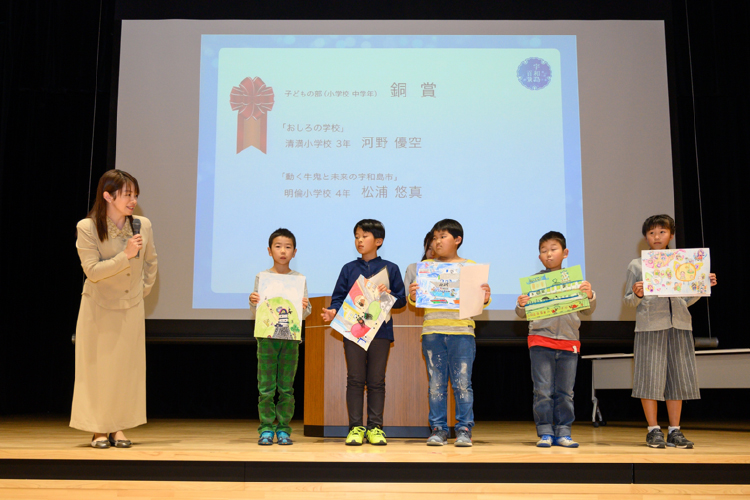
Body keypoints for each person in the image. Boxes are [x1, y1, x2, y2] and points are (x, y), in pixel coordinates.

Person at [70, 169, 157, 448]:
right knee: (97, 369)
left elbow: (151, 262)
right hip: (98, 307)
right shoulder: (87, 227)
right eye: (127, 194)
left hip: (130, 307)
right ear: (108, 195)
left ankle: (118, 427)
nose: (133, 200)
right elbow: (92, 271)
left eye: (135, 194)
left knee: (124, 369)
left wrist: (139, 293)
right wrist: (125, 255)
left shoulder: (142, 224)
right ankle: (97, 429)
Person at [624, 214, 717, 449]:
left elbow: (685, 299)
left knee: (678, 378)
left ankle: (675, 430)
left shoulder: (683, 264)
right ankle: (653, 429)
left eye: (662, 232)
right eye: (652, 232)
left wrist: (702, 285)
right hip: (649, 326)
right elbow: (627, 302)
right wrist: (637, 293)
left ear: (671, 235)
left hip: (680, 325)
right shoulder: (637, 265)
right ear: (645, 236)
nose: (657, 237)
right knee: (649, 378)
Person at [321, 219, 406, 446]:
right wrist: (332, 312)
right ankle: (356, 427)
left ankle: (375, 428)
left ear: (378, 241)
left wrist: (388, 295)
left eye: (364, 236)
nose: (359, 240)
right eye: (357, 236)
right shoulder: (349, 268)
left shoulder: (391, 268)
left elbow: (401, 301)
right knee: (355, 379)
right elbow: (339, 298)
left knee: (377, 381)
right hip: (353, 330)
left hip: (381, 332)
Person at [406, 219, 491, 447]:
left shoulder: (470, 266)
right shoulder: (427, 267)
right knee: (436, 384)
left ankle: (464, 429)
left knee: (463, 383)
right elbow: (416, 303)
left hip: (462, 332)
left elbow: (480, 303)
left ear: (457, 240)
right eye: (434, 237)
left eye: (442, 236)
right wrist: (413, 296)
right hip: (433, 331)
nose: (437, 242)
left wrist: (485, 297)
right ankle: (438, 430)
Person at [515, 231, 595, 448]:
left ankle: (564, 432)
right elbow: (522, 314)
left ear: (565, 252)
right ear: (539, 256)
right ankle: (545, 432)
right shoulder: (535, 283)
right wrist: (521, 304)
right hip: (540, 341)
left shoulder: (576, 282)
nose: (548, 254)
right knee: (542, 391)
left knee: (565, 393)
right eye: (544, 251)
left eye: (553, 249)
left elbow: (588, 311)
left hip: (569, 342)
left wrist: (589, 295)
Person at [249, 228, 311, 445]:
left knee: (286, 387)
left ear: (294, 252)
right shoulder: (262, 277)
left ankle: (283, 428)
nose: (282, 251)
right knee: (265, 387)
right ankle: (266, 428)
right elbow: (258, 311)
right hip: (266, 339)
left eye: (287, 247)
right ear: (269, 250)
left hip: (290, 340)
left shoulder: (299, 279)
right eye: (278, 246)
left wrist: (304, 307)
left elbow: (307, 311)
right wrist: (253, 300)